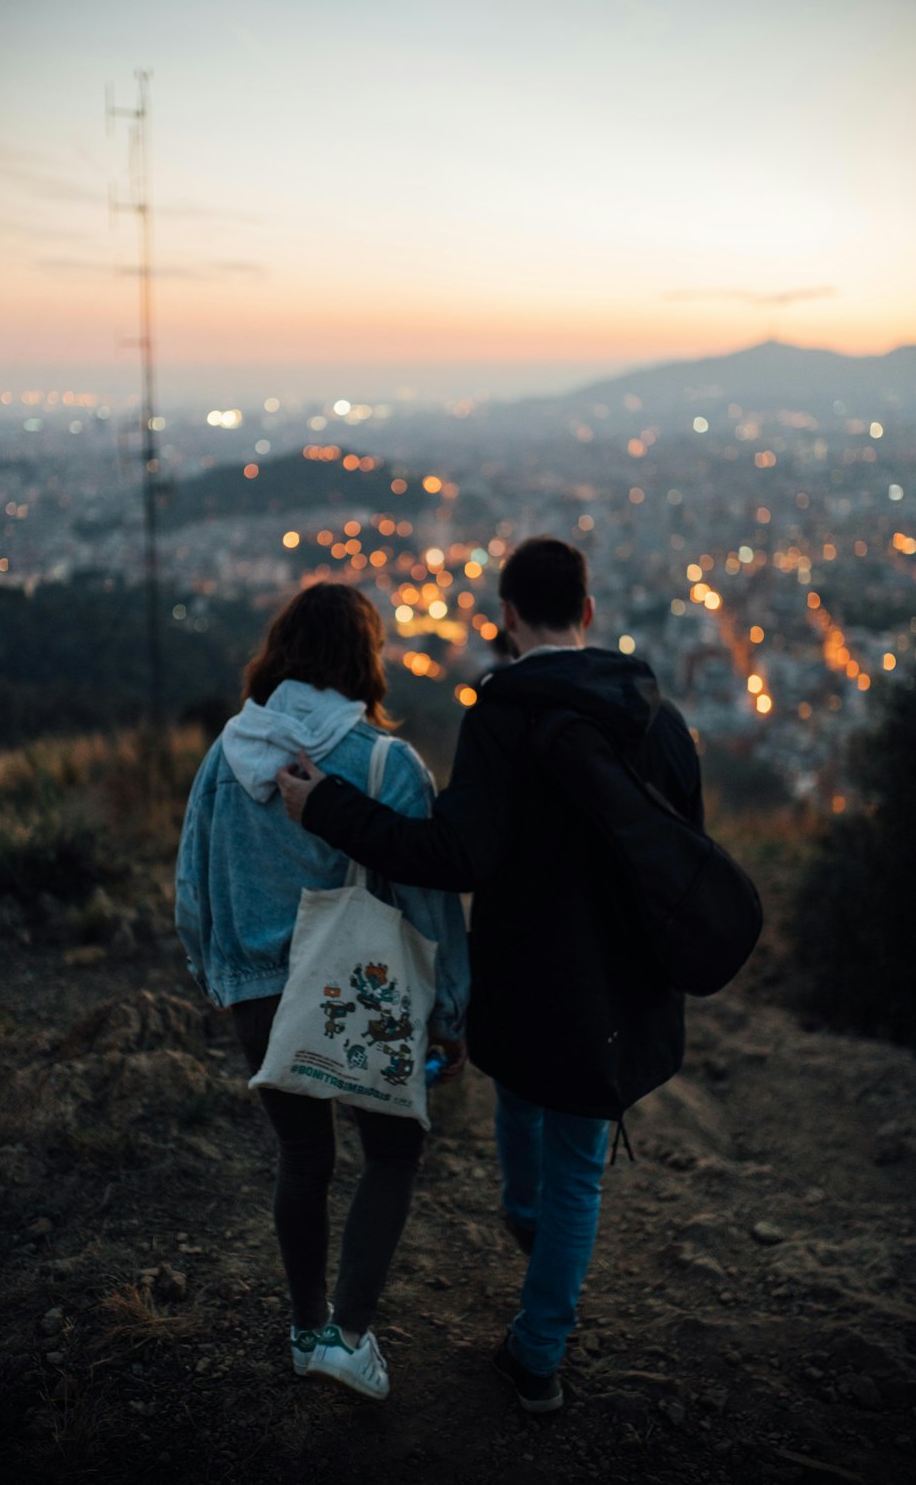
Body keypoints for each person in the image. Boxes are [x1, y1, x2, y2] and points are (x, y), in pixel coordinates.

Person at [277, 537, 703, 1413]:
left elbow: (455, 853)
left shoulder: (502, 713)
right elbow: (682, 853)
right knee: (579, 1166)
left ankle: (535, 1278)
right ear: (588, 612)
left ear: (506, 618)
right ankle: (536, 1352)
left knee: (530, 1130)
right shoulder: (657, 718)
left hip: (526, 978)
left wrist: (326, 804)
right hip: (620, 989)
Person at [175, 583, 470, 1401]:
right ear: (364, 659)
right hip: (360, 986)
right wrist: (450, 1010)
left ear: (282, 651)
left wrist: (221, 976)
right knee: (394, 1151)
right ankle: (349, 1334)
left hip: (256, 992)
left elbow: (190, 884)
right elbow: (428, 899)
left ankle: (307, 1330)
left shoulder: (229, 752)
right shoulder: (385, 763)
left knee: (303, 1155)